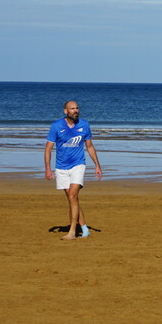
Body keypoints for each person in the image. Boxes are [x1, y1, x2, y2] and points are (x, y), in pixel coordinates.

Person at [44, 100, 102, 240]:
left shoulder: (84, 125)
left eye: (77, 108)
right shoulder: (56, 126)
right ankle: (84, 228)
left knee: (72, 195)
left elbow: (89, 146)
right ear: (66, 111)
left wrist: (97, 165)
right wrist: (47, 169)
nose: (76, 111)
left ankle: (72, 232)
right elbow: (48, 149)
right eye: (72, 108)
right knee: (72, 199)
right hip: (61, 167)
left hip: (78, 165)